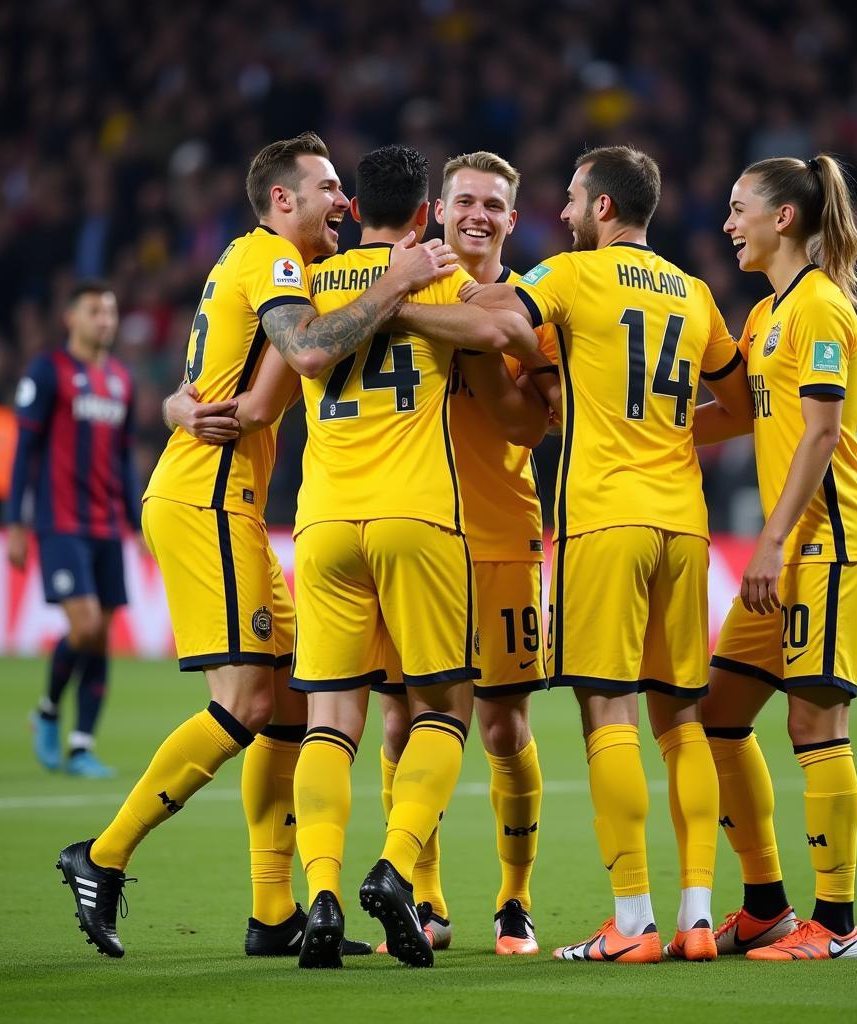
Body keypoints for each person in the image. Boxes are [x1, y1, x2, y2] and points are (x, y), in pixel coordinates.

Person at [56, 132, 457, 959]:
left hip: (216, 489)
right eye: (328, 188)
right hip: (207, 497)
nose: (343, 202)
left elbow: (262, 399)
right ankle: (101, 856)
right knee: (243, 704)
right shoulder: (273, 259)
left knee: (296, 703)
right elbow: (308, 348)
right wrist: (400, 278)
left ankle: (274, 911)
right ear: (284, 200)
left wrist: (173, 407)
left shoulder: (257, 264)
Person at [467, 146, 752, 963]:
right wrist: (664, 433)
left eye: (568, 200)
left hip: (605, 520)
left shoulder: (570, 276)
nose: (560, 213)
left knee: (609, 712)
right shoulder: (696, 296)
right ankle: (698, 916)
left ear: (600, 209)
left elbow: (492, 314)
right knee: (684, 718)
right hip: (684, 524)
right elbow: (737, 405)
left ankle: (632, 922)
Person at [288, 144, 538, 969]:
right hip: (419, 521)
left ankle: (319, 894)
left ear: (352, 210)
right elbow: (504, 327)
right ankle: (399, 870)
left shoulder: (305, 282)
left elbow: (270, 382)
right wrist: (404, 289)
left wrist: (182, 402)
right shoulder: (433, 273)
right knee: (443, 710)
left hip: (322, 524)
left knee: (334, 719)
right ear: (429, 214)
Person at [694, 154, 857, 961]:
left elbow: (819, 433)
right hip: (792, 548)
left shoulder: (821, 309)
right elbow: (740, 415)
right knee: (719, 714)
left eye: (739, 209)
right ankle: (769, 904)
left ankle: (836, 924)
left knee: (816, 720)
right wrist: (643, 427)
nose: (728, 223)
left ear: (784, 218)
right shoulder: (764, 315)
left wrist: (771, 542)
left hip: (831, 545)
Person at [373, 151, 556, 957]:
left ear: (512, 221)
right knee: (399, 721)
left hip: (496, 536)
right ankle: (426, 900)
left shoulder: (529, 308)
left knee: (502, 728)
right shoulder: (391, 277)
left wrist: (424, 318)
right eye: (464, 201)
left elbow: (525, 426)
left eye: (493, 205)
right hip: (403, 533)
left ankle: (514, 901)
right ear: (436, 211)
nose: (477, 214)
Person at [5, 281, 139, 779]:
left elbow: (125, 459)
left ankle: (81, 745)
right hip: (60, 522)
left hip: (107, 524)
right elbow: (25, 452)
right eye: (94, 311)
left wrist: (135, 519)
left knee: (101, 635)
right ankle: (46, 710)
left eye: (110, 311)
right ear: (71, 319)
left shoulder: (122, 379)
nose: (104, 320)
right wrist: (15, 522)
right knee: (83, 627)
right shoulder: (48, 371)